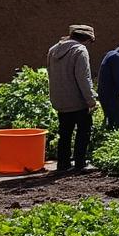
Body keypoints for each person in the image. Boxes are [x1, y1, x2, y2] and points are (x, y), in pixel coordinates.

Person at [48, 24, 98, 174]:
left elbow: (51, 74)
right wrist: (91, 100)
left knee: (65, 133)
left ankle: (63, 164)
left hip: (60, 101)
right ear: (86, 39)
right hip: (78, 101)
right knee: (83, 131)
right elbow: (84, 78)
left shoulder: (53, 50)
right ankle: (80, 163)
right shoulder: (80, 51)